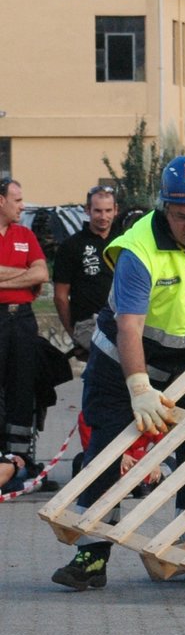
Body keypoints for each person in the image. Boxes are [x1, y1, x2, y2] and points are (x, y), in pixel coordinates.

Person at [51, 156, 185, 591]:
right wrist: (139, 387)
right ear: (165, 208)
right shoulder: (138, 248)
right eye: (181, 217)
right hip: (123, 362)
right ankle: (91, 554)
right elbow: (129, 325)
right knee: (108, 452)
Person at [0, 178, 49, 469]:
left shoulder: (25, 234)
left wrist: (7, 275)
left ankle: (21, 459)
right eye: (17, 200)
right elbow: (31, 273)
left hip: (24, 319)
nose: (23, 205)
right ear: (1, 201)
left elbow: (41, 273)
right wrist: (22, 272)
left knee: (23, 386)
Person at [53, 184, 119, 356]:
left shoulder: (126, 243)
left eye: (108, 210)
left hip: (123, 321)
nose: (103, 216)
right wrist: (72, 334)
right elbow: (60, 296)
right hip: (88, 324)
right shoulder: (71, 246)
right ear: (87, 210)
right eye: (97, 211)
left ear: (116, 210)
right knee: (112, 361)